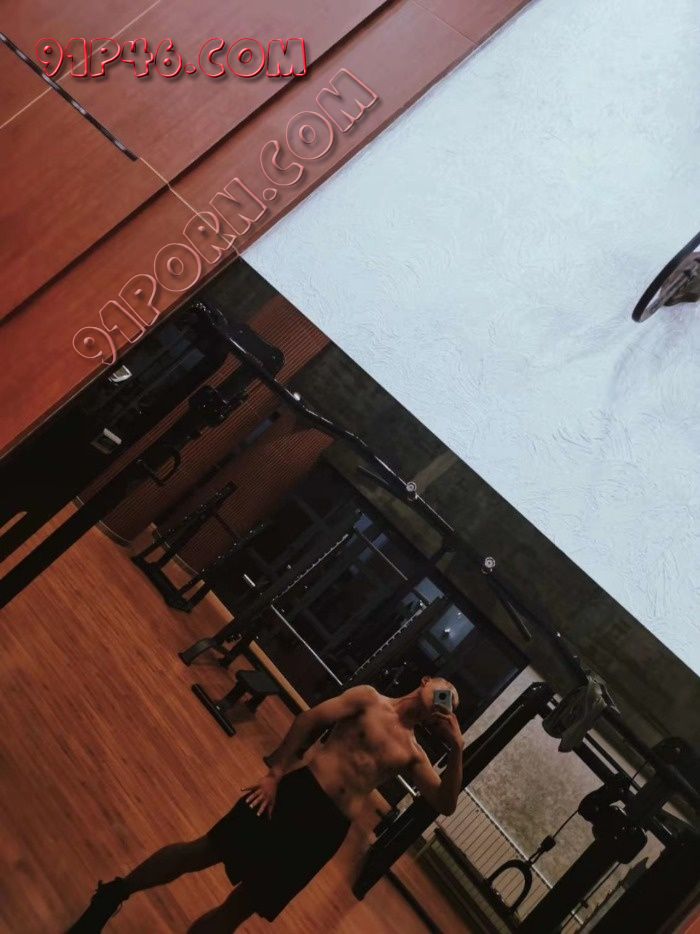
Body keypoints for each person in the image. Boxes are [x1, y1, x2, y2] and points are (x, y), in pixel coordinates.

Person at [69, 675, 463, 933]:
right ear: (426, 681)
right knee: (205, 850)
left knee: (244, 904)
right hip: (297, 793)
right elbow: (308, 719)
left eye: (450, 704)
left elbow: (445, 803)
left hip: (325, 830)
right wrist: (275, 773)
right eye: (444, 690)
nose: (443, 700)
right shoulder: (369, 700)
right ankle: (113, 894)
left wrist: (458, 748)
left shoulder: (413, 753)